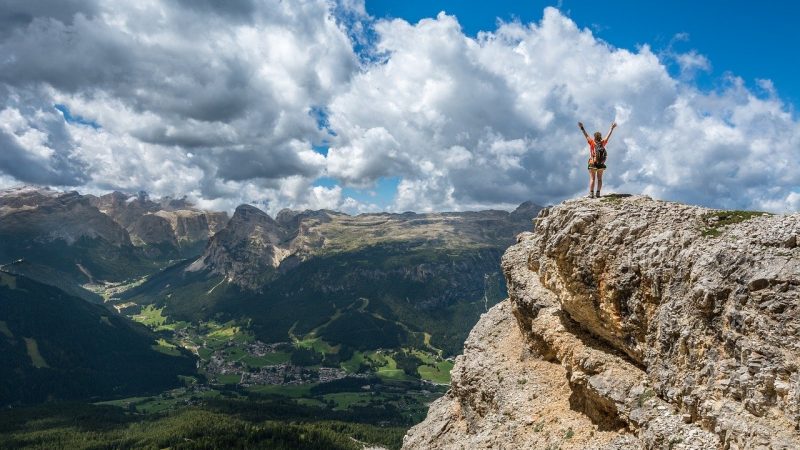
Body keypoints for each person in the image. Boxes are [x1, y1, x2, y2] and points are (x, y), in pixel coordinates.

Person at [578, 121, 617, 198]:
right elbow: (608, 136)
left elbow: (586, 135)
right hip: (601, 164)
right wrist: (612, 128)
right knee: (599, 179)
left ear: (594, 137)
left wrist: (582, 128)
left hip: (592, 163)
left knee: (592, 179)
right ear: (600, 137)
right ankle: (598, 193)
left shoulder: (592, 142)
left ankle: (591, 194)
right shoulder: (603, 143)